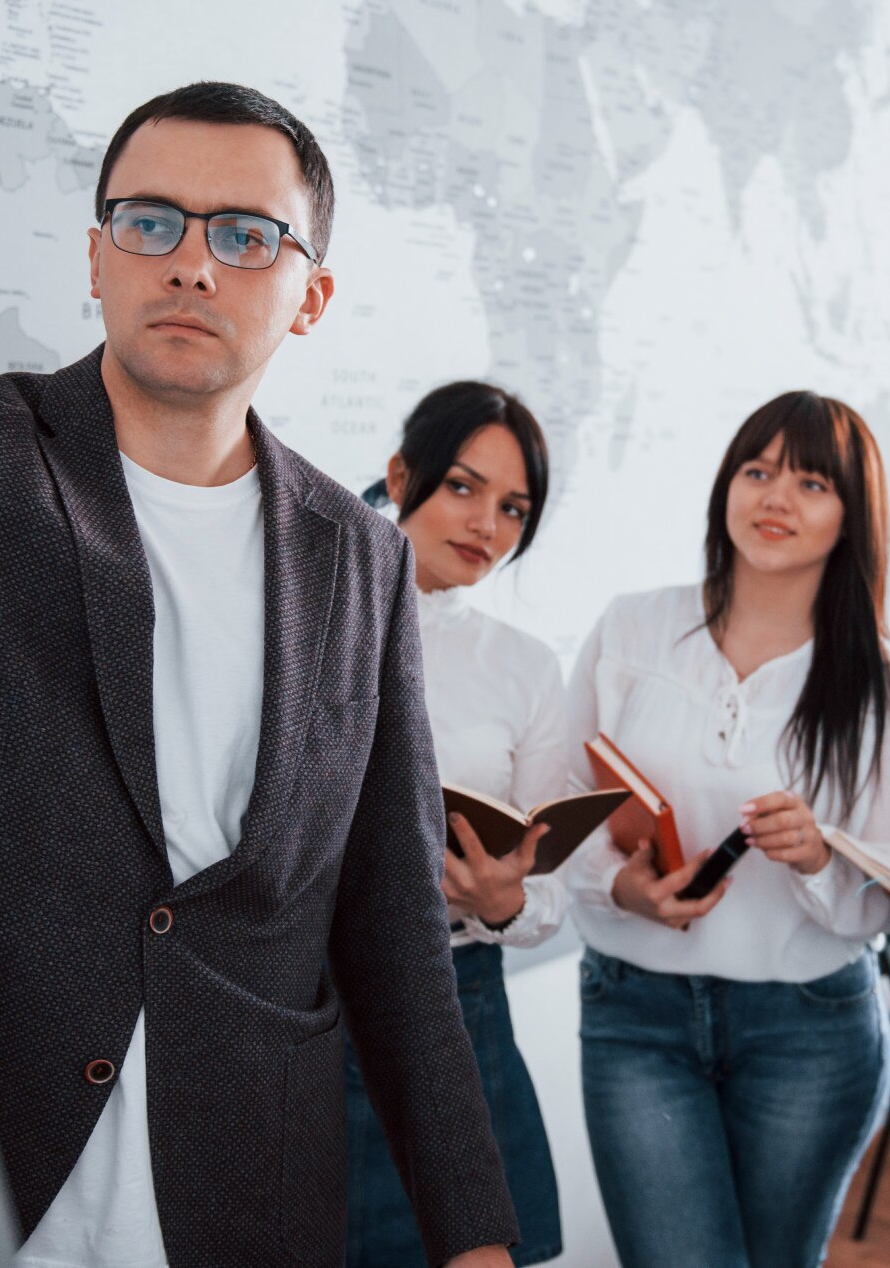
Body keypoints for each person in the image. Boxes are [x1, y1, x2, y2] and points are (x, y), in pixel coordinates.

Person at [0, 82, 515, 1267]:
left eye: (246, 236)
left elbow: (393, 931)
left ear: (310, 296)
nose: (192, 263)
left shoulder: (361, 558)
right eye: (151, 222)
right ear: (97, 256)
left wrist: (476, 1240)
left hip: (242, 1195)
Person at [562, 391, 890, 1268]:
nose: (775, 497)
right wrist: (621, 885)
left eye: (810, 482)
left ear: (852, 517)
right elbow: (558, 809)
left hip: (808, 1028)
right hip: (634, 1016)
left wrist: (817, 856)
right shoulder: (631, 626)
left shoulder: (883, 679)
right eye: (757, 471)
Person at [343, 382, 568, 1266]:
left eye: (514, 507)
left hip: (462, 997)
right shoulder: (310, 614)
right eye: (465, 487)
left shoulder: (523, 666)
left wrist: (505, 901)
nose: (488, 524)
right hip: (318, 1004)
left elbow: (546, 888)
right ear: (402, 474)